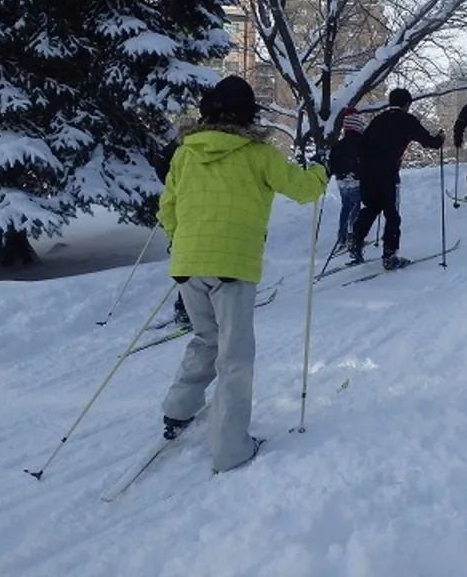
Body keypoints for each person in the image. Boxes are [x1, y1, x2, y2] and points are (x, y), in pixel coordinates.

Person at [157, 75, 327, 472]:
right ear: (249, 114)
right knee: (234, 356)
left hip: (187, 264)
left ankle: (177, 412)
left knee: (205, 338)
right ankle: (231, 448)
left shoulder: (186, 153)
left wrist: (183, 241)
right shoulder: (257, 154)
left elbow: (167, 208)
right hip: (232, 266)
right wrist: (320, 171)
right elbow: (302, 190)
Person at [349, 87, 445, 270]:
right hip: (386, 172)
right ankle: (390, 255)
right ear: (407, 104)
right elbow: (428, 142)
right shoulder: (407, 120)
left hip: (367, 171)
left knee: (371, 207)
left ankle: (356, 239)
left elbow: (362, 145)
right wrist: (440, 138)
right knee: (391, 214)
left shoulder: (378, 120)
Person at [152, 136, 192, 331]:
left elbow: (159, 160)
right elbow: (160, 160)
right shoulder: (187, 141)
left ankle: (186, 307)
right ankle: (186, 308)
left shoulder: (187, 138)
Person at [328, 106, 365, 253]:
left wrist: (336, 173)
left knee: (346, 206)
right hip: (356, 178)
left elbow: (332, 162)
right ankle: (353, 235)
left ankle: (342, 236)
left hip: (341, 179)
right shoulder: (362, 142)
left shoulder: (339, 144)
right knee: (356, 207)